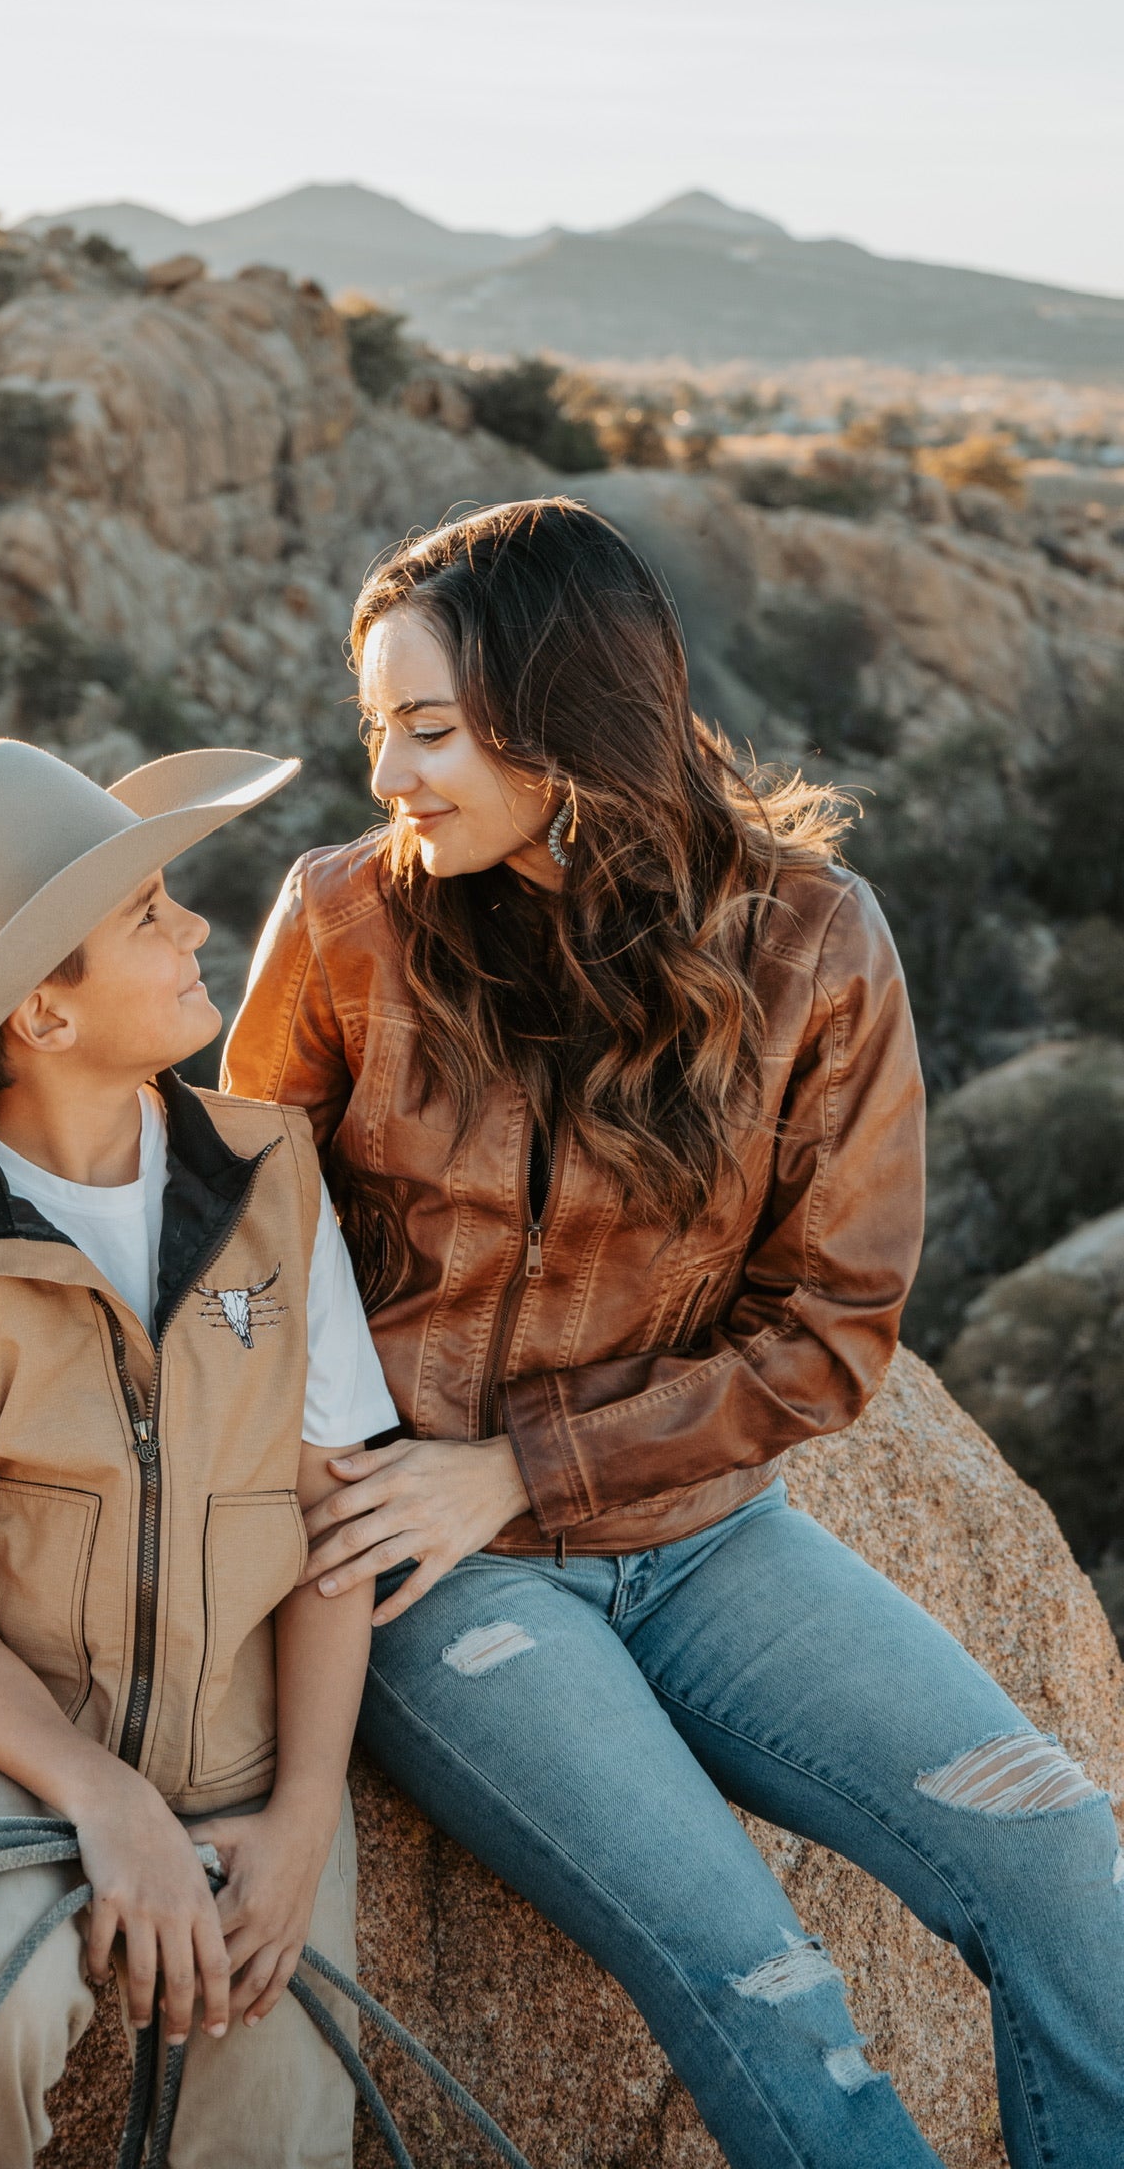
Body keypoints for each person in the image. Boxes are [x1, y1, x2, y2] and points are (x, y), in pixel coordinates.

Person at [223, 498, 1124, 2168]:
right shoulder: (344, 922)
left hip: (705, 1542)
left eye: (427, 731)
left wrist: (520, 1466)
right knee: (760, 1972)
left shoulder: (813, 943)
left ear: (568, 718)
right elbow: (237, 1265)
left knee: (1064, 1852)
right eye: (375, 729)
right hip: (441, 1573)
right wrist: (382, 1488)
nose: (389, 778)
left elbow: (836, 1332)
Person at [0, 737, 399, 2169]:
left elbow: (335, 1525)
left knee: (281, 2074)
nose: (196, 929)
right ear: (44, 1019)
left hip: (242, 1742)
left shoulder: (275, 1181)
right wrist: (107, 1803)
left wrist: (305, 1812)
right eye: (148, 918)